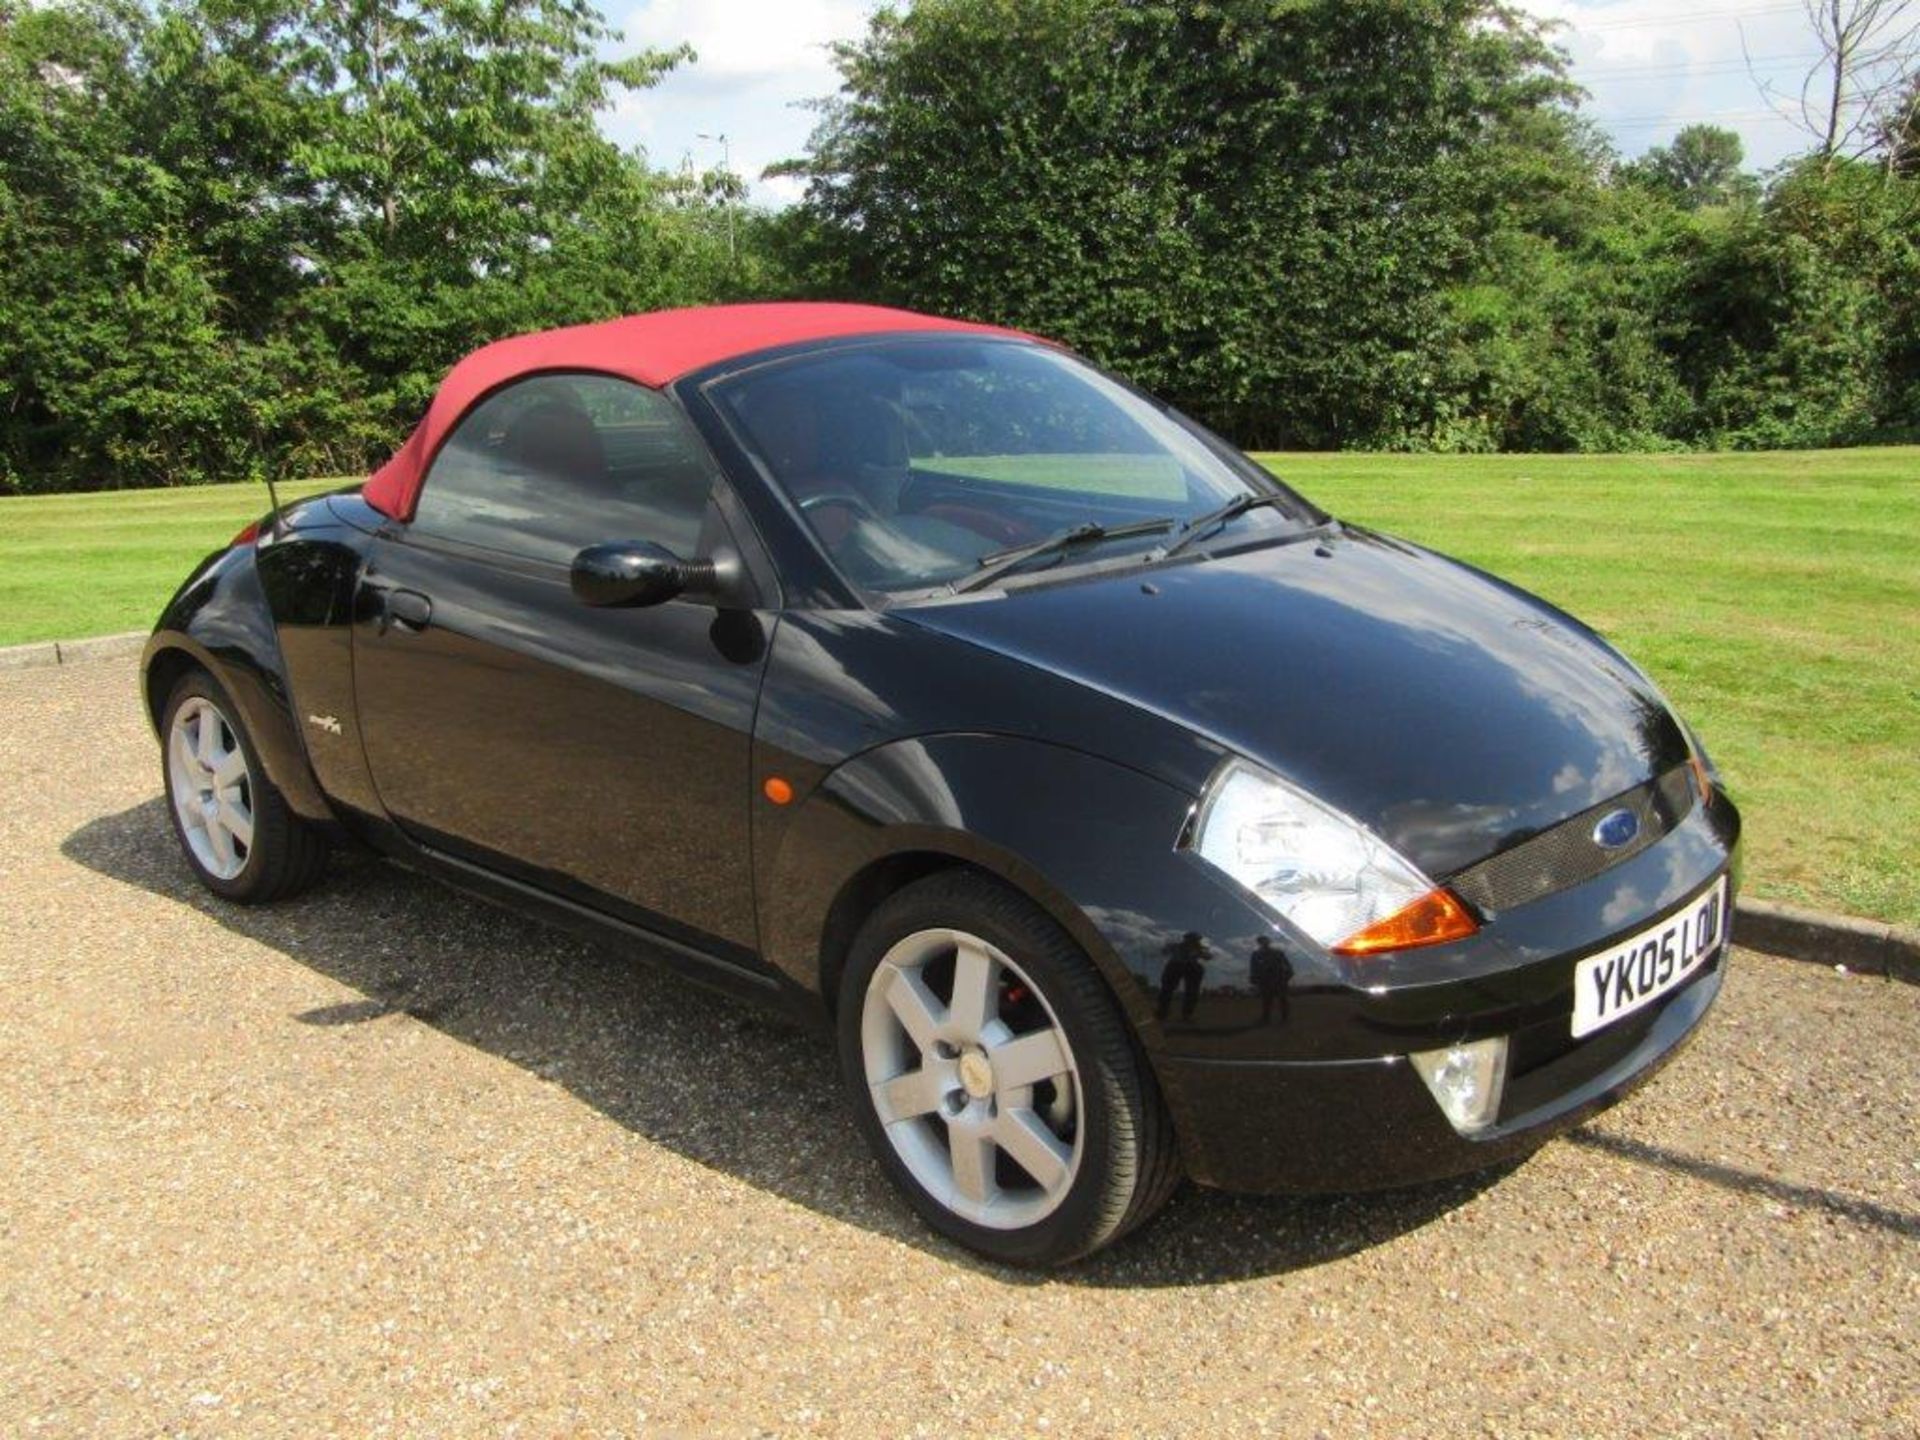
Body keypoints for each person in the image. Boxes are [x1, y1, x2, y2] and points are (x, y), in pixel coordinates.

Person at [1156, 930, 1212, 1021]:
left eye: (1196, 940)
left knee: (1192, 990)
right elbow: (1164, 951)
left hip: (1190, 967)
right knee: (1167, 989)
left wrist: (1200, 952)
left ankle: (1186, 1014)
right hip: (1175, 965)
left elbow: (1208, 957)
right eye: (1192, 939)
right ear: (1186, 939)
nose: (1194, 942)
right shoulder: (1176, 946)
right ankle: (1163, 1011)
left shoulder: (1198, 949)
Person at [1250, 934, 1293, 1025]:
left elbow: (1286, 964)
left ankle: (1284, 1017)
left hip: (1279, 978)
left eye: (1264, 941)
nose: (1263, 943)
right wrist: (1254, 977)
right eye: (1261, 941)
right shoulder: (1256, 954)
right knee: (1267, 999)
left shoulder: (1278, 952)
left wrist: (1288, 973)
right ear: (1259, 943)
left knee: (1282, 999)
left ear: (1268, 942)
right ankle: (1266, 1018)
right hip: (1265, 979)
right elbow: (1254, 967)